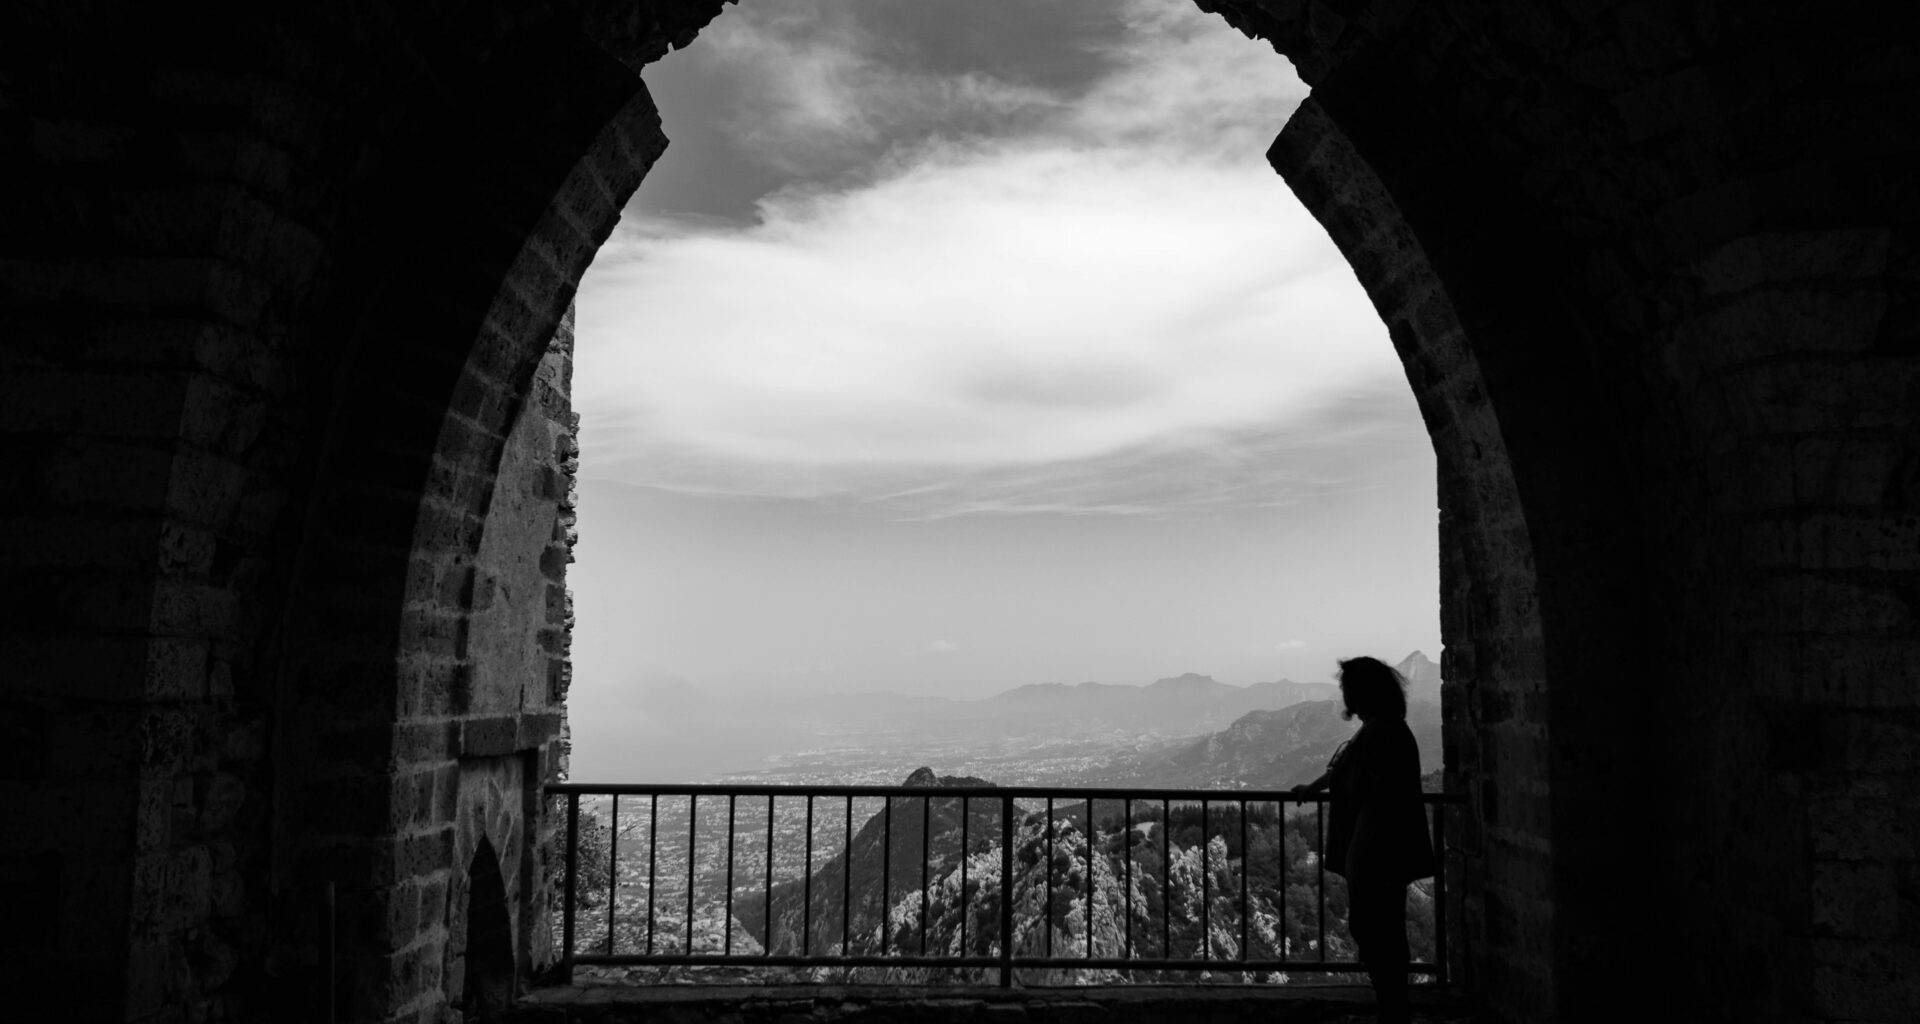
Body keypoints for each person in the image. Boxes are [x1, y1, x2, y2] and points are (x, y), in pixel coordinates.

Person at [1292, 656, 1435, 1024]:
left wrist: (1356, 858)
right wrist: (1313, 788)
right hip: (1383, 854)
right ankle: (1394, 1007)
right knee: (1383, 930)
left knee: (1377, 933)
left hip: (1376, 856)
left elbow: (1375, 801)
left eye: (1346, 688)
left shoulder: (1380, 733)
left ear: (1361, 692)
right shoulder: (1382, 729)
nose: (1343, 694)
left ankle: (1394, 1010)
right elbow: (1345, 771)